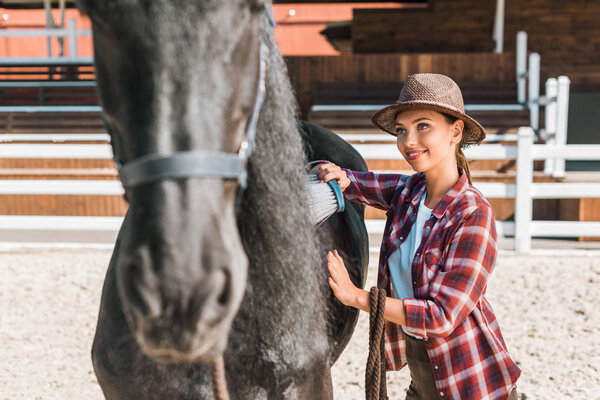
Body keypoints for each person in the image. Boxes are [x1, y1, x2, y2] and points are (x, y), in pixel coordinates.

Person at [317, 74, 521, 400]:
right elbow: (359, 182)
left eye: (423, 126)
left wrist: (355, 297)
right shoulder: (408, 193)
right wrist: (337, 174)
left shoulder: (473, 215)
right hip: (425, 378)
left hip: (472, 383)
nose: (408, 141)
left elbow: (440, 317)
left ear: (456, 131)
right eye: (401, 130)